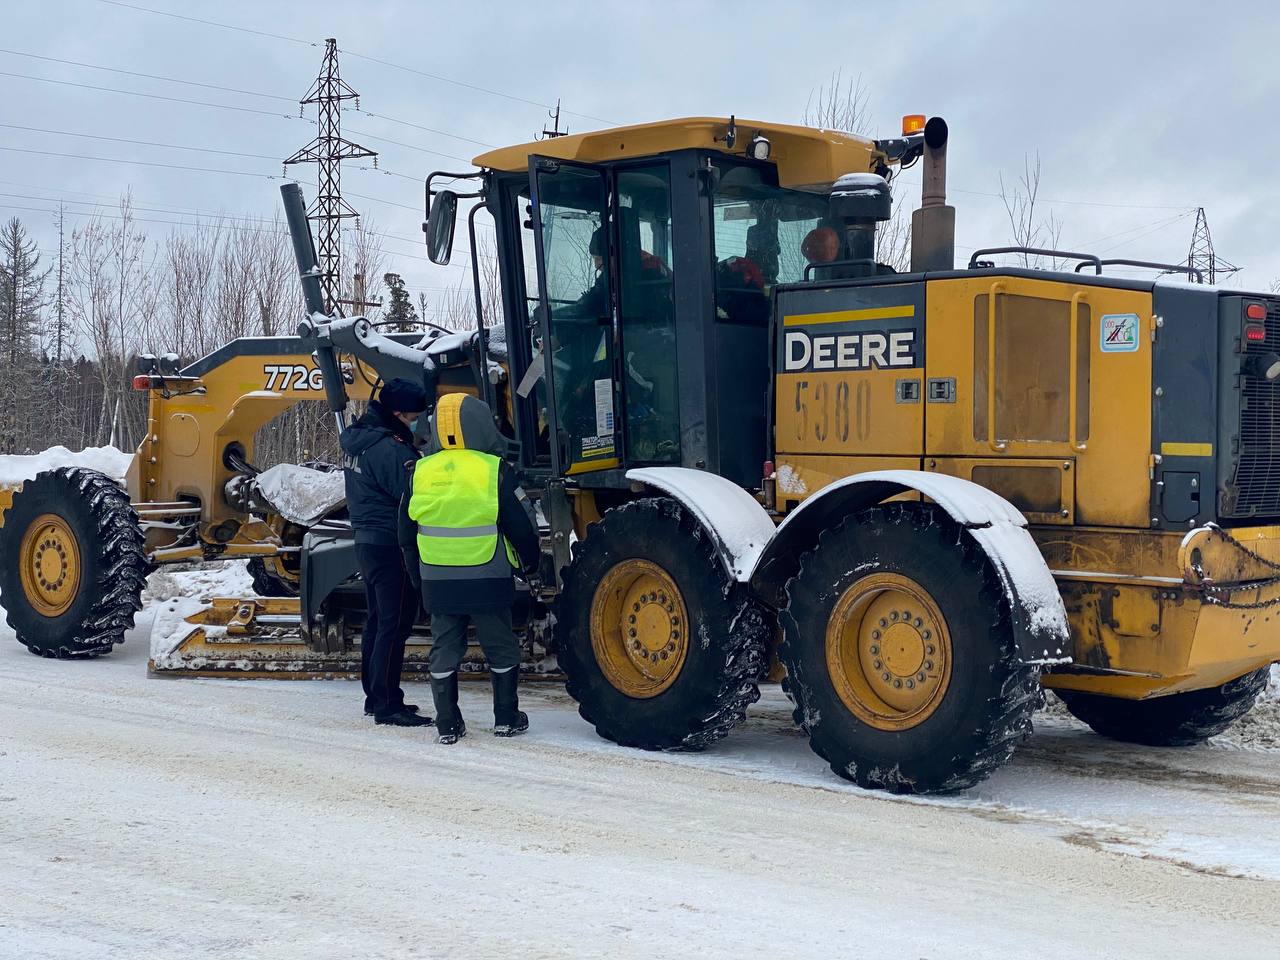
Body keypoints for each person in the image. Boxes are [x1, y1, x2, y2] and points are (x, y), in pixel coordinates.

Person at [400, 393, 540, 745]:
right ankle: (506, 717)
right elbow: (520, 526)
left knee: (445, 647)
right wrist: (531, 564)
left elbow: (404, 531)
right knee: (500, 646)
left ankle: (447, 722)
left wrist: (417, 576)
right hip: (487, 577)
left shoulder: (420, 471)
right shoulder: (493, 470)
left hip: (438, 580)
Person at [340, 378, 433, 728]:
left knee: (379, 621)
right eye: (413, 415)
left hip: (368, 540)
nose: (416, 421)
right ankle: (386, 705)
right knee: (394, 623)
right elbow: (412, 498)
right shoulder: (391, 449)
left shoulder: (361, 439)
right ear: (397, 413)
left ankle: (377, 696)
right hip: (390, 541)